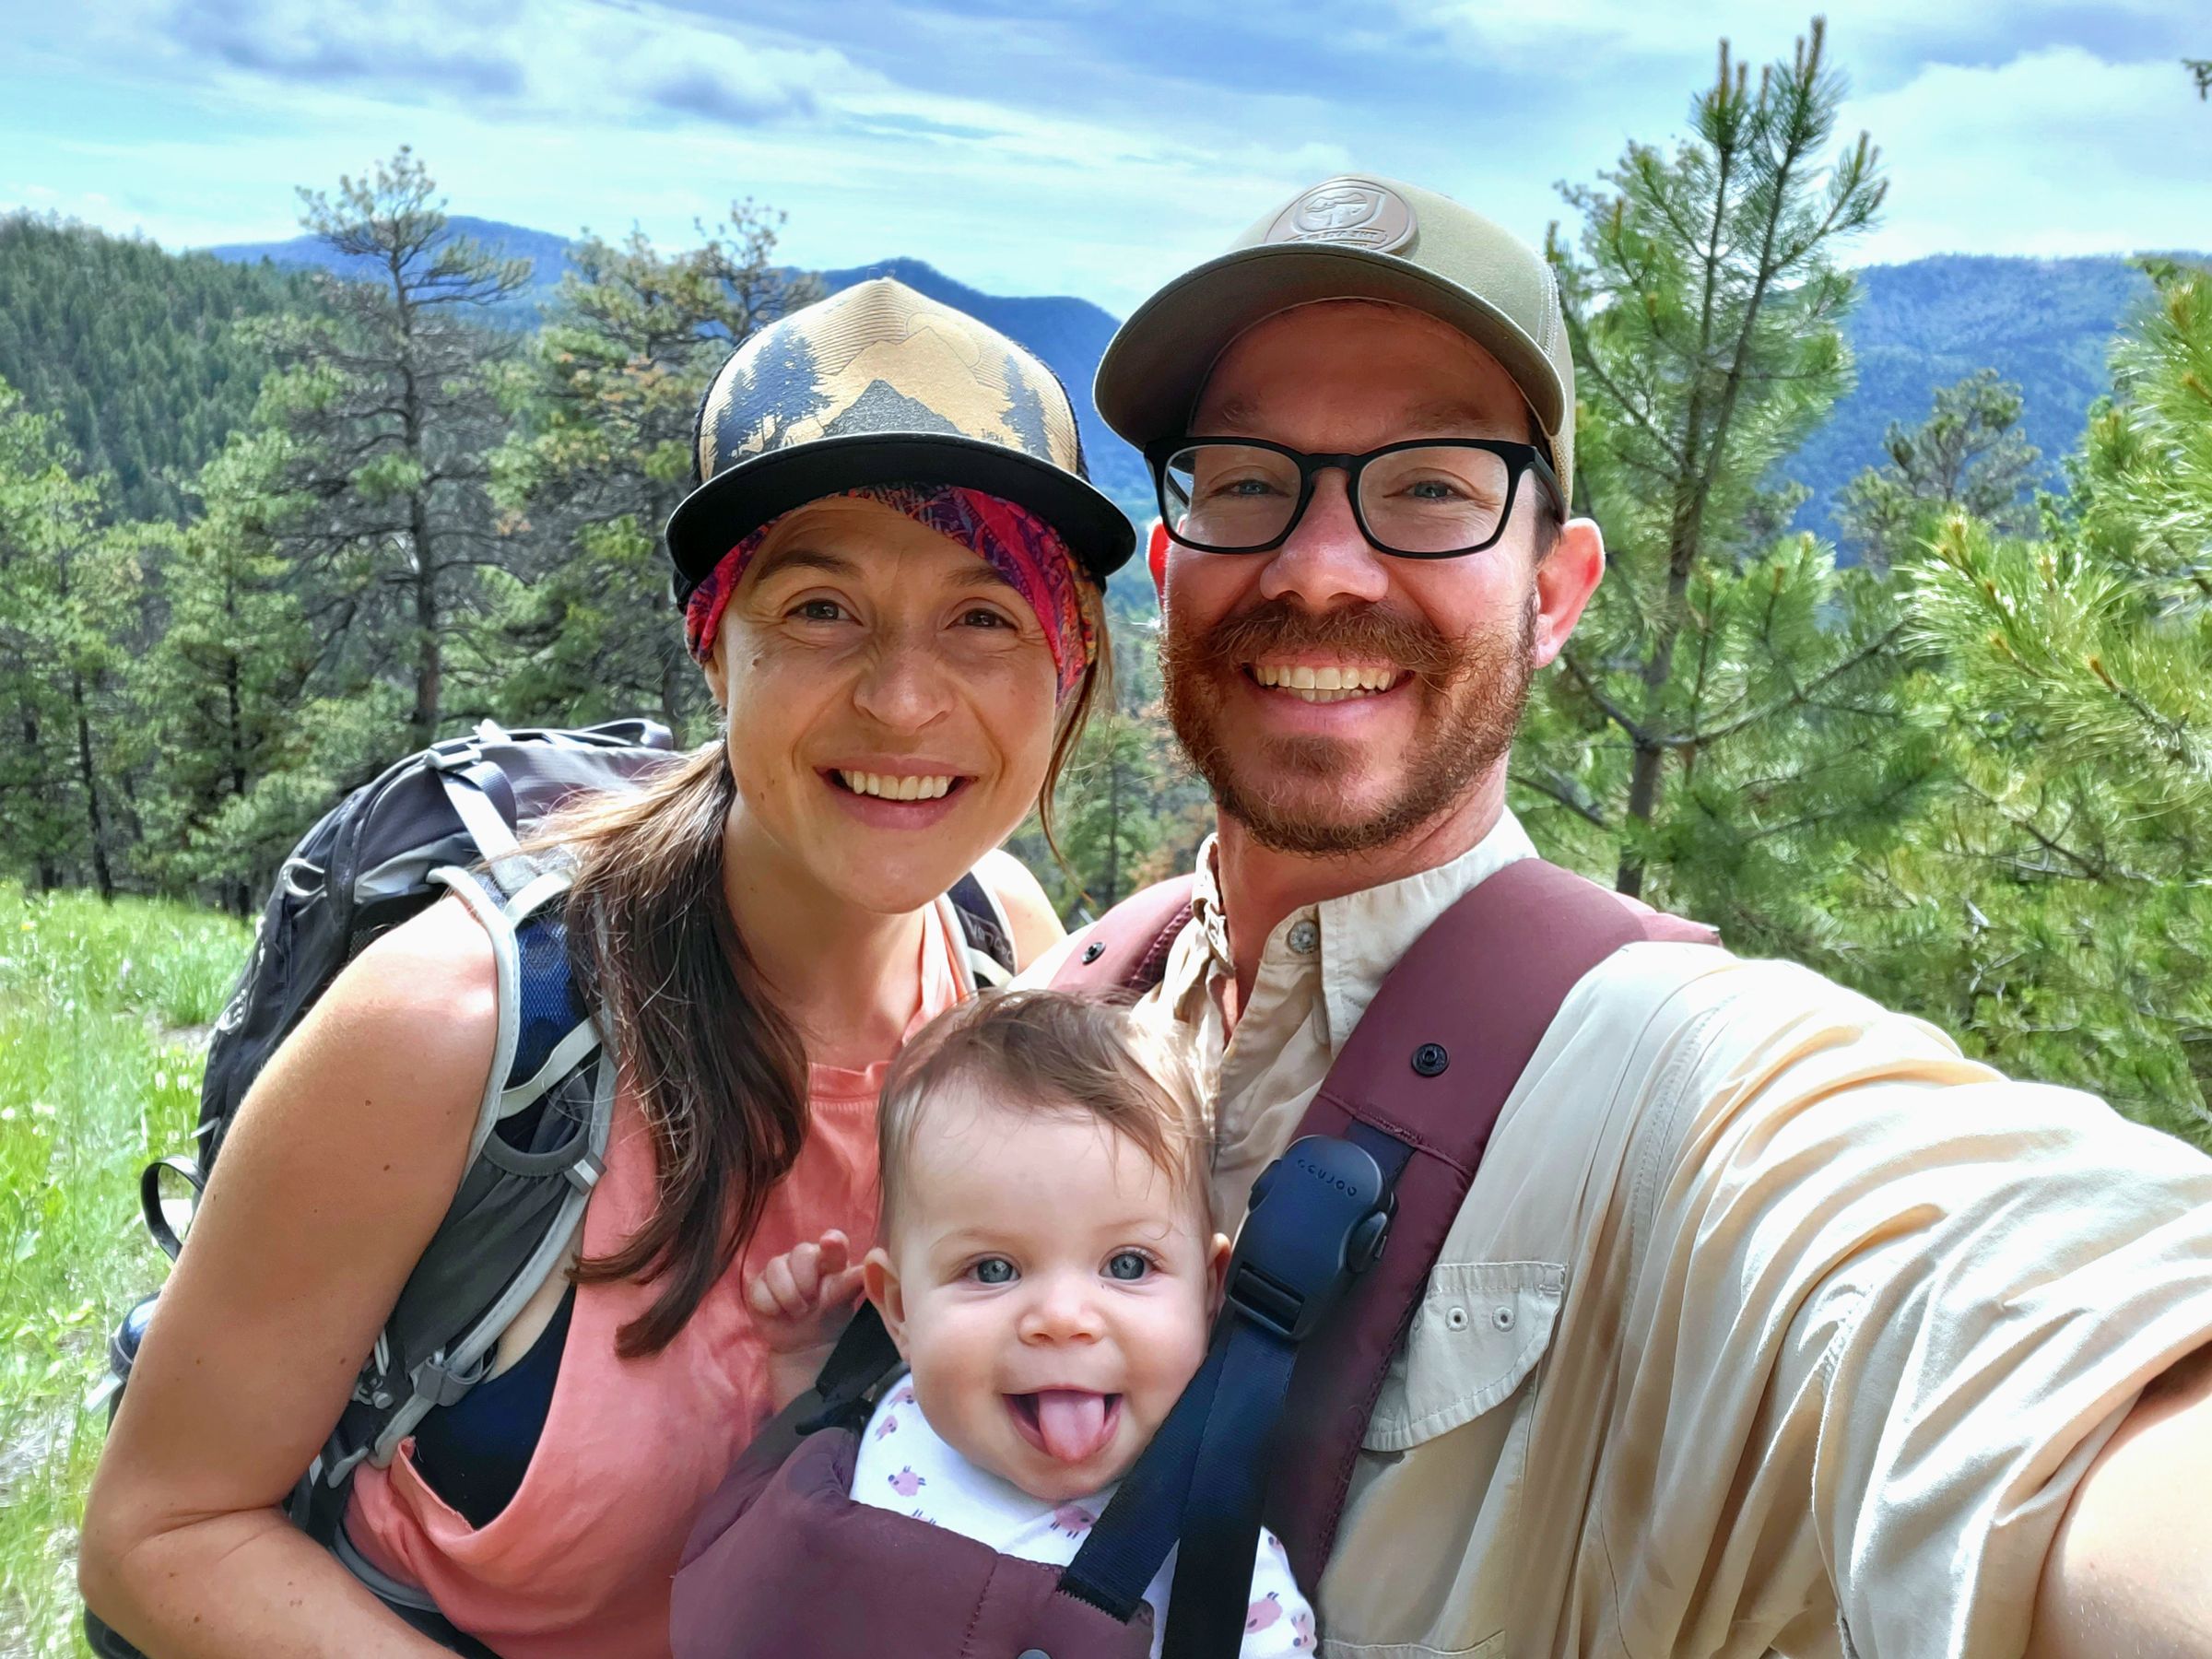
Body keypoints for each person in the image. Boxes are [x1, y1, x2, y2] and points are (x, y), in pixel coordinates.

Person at [1030, 173, 2212, 1657]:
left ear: (1558, 590)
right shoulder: (1076, 999)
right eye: (1250, 481)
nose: (1320, 567)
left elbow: (2011, 1318)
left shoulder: (1690, 1082)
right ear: (1172, 568)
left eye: (1433, 487)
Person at [78, 276, 1133, 1659]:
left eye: (986, 616)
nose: (903, 698)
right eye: (821, 608)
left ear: (1067, 661)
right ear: (719, 642)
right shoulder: (461, 1033)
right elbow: (159, 1538)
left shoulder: (1009, 956)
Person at [744, 989, 1316, 1656]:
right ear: (899, 1310)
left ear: (1208, 1293)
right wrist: (807, 1361)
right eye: (993, 1270)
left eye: (1128, 1264)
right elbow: (801, 1499)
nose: (1062, 1319)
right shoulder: (890, 1408)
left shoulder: (1221, 1569)